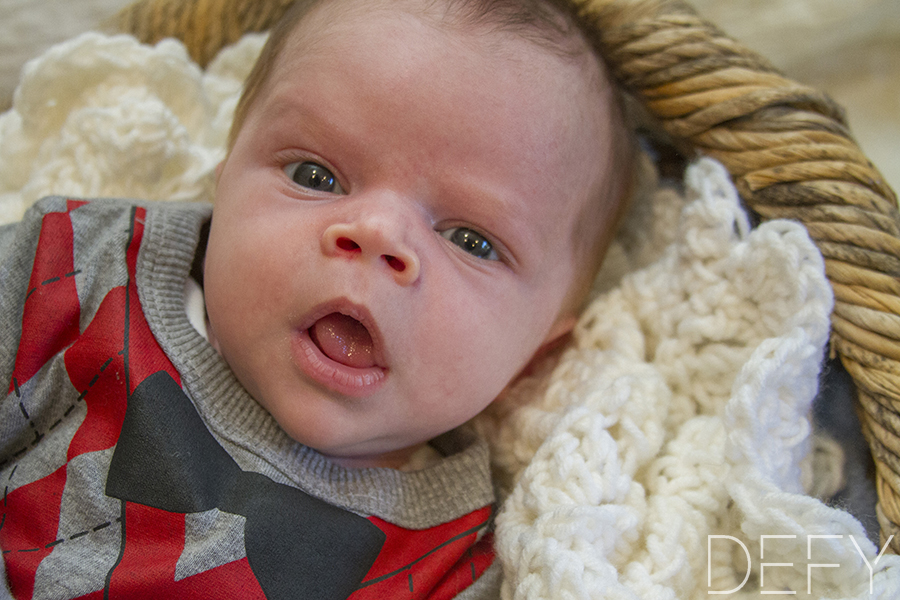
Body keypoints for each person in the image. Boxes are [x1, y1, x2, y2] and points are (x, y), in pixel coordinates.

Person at [0, 0, 635, 597]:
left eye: (470, 239)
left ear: (539, 345)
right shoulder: (79, 268)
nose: (378, 234)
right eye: (315, 176)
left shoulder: (453, 563)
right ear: (224, 178)